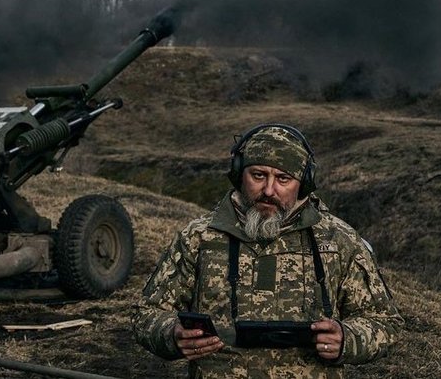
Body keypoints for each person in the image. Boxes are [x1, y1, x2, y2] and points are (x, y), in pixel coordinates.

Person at [132, 124, 402, 378]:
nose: (269, 190)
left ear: (304, 183)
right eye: (258, 175)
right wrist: (172, 334)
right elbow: (147, 313)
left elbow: (386, 322)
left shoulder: (340, 241)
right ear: (239, 174)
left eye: (283, 178)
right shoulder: (199, 237)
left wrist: (347, 339)